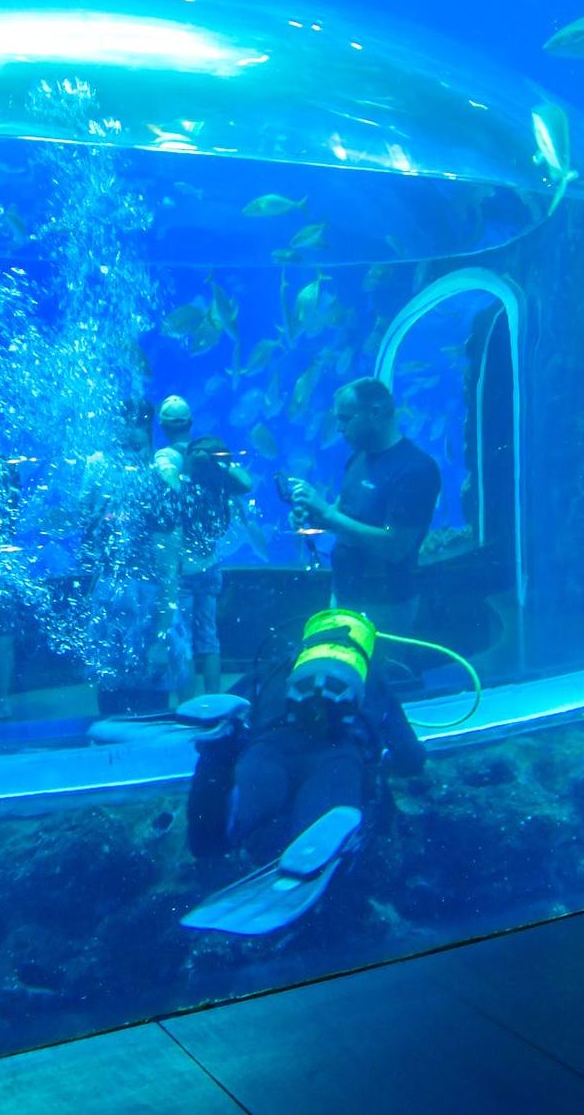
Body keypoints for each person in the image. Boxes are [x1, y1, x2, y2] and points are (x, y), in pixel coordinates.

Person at [183, 610, 425, 935]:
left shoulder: (273, 668)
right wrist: (389, 763)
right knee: (316, 854)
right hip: (337, 764)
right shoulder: (374, 679)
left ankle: (215, 795)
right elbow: (411, 758)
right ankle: (307, 879)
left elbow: (230, 707)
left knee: (219, 831)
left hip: (266, 755)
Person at [285, 378, 440, 635]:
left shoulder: (416, 469)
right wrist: (311, 518)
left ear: (375, 412)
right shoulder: (358, 459)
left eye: (346, 419)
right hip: (344, 594)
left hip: (388, 605)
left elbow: (396, 547)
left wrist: (326, 513)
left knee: (382, 672)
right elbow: (340, 515)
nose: (339, 429)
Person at [81, 398, 188, 715]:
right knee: (110, 699)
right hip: (111, 599)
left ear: (148, 433)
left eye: (136, 431)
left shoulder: (159, 484)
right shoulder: (107, 481)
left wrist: (159, 638)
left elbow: (169, 573)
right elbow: (91, 536)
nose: (128, 443)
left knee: (151, 704)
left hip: (150, 605)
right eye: (122, 437)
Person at [157, 395, 253, 696]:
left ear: (162, 426)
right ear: (190, 423)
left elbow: (167, 486)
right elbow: (244, 483)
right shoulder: (210, 455)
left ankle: (188, 705)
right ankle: (214, 700)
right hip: (210, 563)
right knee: (209, 638)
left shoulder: (167, 457)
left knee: (181, 637)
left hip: (182, 568)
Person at [0, 456, 18, 720]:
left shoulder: (4, 467)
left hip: (1, 563)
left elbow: (11, 515)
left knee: (3, 638)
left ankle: (1, 698)